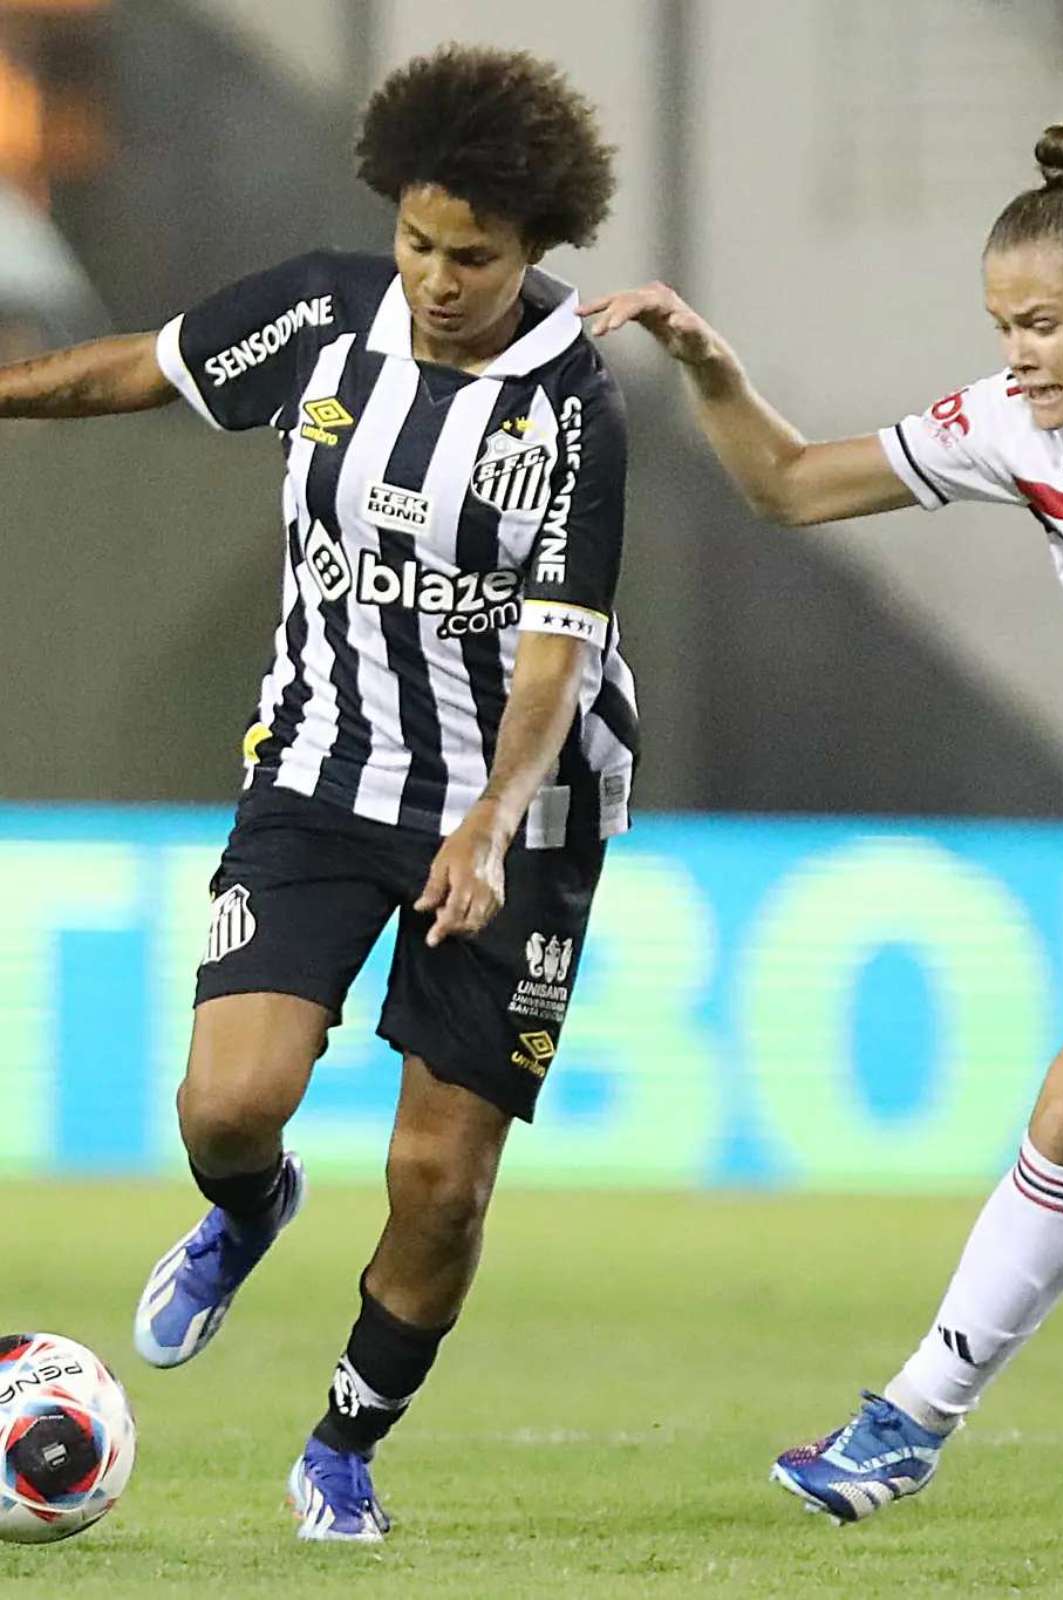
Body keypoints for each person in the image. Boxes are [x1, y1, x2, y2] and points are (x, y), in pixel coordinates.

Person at [0, 45, 637, 1541]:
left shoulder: (572, 415)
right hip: (321, 766)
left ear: (533, 248)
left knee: (441, 1180)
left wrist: (485, 826)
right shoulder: (327, 309)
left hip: (521, 815)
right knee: (228, 1105)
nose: (432, 277)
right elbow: (137, 367)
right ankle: (245, 1210)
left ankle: (346, 1444)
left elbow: (554, 659)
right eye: (417, 241)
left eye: (469, 257)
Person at [585, 115, 1063, 1523]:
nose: (1018, 354)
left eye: (1041, 323)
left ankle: (905, 1422)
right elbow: (790, 486)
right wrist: (712, 369)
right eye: (1000, 326)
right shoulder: (1009, 428)